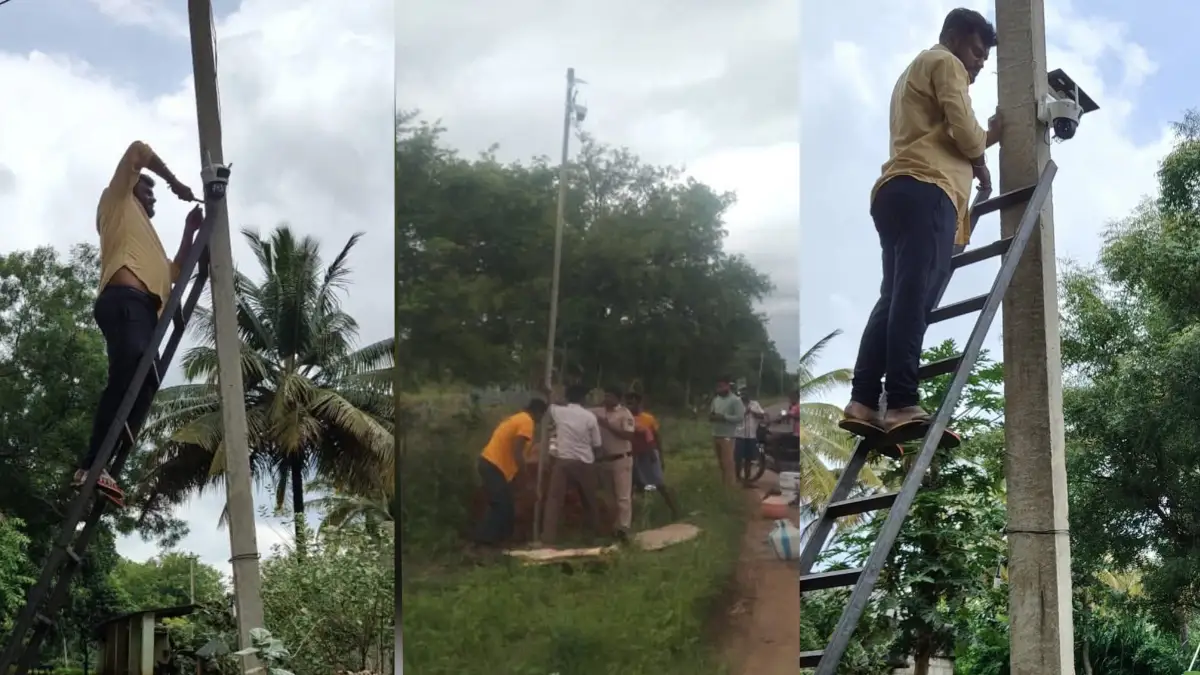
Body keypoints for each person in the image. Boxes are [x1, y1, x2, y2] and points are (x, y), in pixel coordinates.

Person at [843, 8, 1001, 434]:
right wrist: (988, 138)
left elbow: (950, 137)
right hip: (928, 190)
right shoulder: (945, 63)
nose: (980, 62)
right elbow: (965, 132)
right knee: (912, 298)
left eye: (985, 57)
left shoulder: (913, 72)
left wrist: (978, 160)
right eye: (976, 50)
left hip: (897, 189)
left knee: (893, 297)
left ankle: (861, 401)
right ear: (952, 38)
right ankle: (901, 403)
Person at [75, 140, 202, 502]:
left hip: (146, 312)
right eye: (149, 190)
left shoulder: (149, 240)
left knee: (144, 387)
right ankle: (89, 466)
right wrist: (176, 182)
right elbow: (138, 149)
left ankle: (107, 471)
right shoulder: (116, 202)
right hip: (125, 302)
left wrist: (190, 230)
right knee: (128, 369)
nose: (155, 198)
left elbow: (174, 272)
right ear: (130, 186)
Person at [475, 399, 548, 546]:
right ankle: (483, 542)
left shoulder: (517, 417)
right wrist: (526, 479)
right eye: (542, 416)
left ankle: (501, 541)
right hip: (493, 465)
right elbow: (517, 452)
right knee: (501, 505)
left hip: (491, 464)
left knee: (505, 505)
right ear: (538, 412)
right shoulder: (527, 421)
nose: (540, 421)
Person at [541, 384, 604, 544]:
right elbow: (597, 445)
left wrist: (548, 390)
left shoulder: (559, 412)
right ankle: (592, 537)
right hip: (585, 461)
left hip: (564, 461)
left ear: (568, 397)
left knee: (554, 500)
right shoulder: (590, 417)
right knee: (589, 501)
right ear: (583, 399)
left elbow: (550, 401)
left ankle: (548, 539)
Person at [624, 392, 680, 520]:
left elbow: (656, 438)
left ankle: (674, 511)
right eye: (627, 403)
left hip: (649, 455)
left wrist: (660, 455)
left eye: (632, 402)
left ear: (638, 403)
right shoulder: (625, 418)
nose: (629, 406)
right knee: (630, 486)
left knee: (659, 484)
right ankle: (630, 517)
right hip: (633, 455)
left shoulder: (648, 418)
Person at [591, 385, 637, 540]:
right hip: (604, 460)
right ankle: (612, 527)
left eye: (610, 396)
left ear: (618, 399)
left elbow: (629, 435)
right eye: (606, 395)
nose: (606, 399)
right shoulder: (597, 411)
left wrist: (608, 426)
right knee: (609, 496)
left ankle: (624, 528)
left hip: (621, 458)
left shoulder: (624, 414)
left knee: (623, 496)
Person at [709, 376, 745, 487]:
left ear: (728, 386)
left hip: (728, 436)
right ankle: (724, 486)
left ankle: (730, 489)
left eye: (721, 386)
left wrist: (724, 417)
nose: (719, 389)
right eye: (718, 386)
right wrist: (712, 417)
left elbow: (740, 417)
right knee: (721, 464)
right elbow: (712, 413)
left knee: (728, 464)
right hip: (716, 434)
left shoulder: (735, 400)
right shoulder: (716, 399)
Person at [733, 388, 766, 485]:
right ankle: (738, 478)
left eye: (745, 394)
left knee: (749, 459)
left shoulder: (755, 404)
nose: (744, 396)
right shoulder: (737, 405)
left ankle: (747, 480)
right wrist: (744, 413)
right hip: (739, 435)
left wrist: (752, 412)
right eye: (742, 394)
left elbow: (762, 415)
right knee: (738, 458)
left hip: (751, 435)